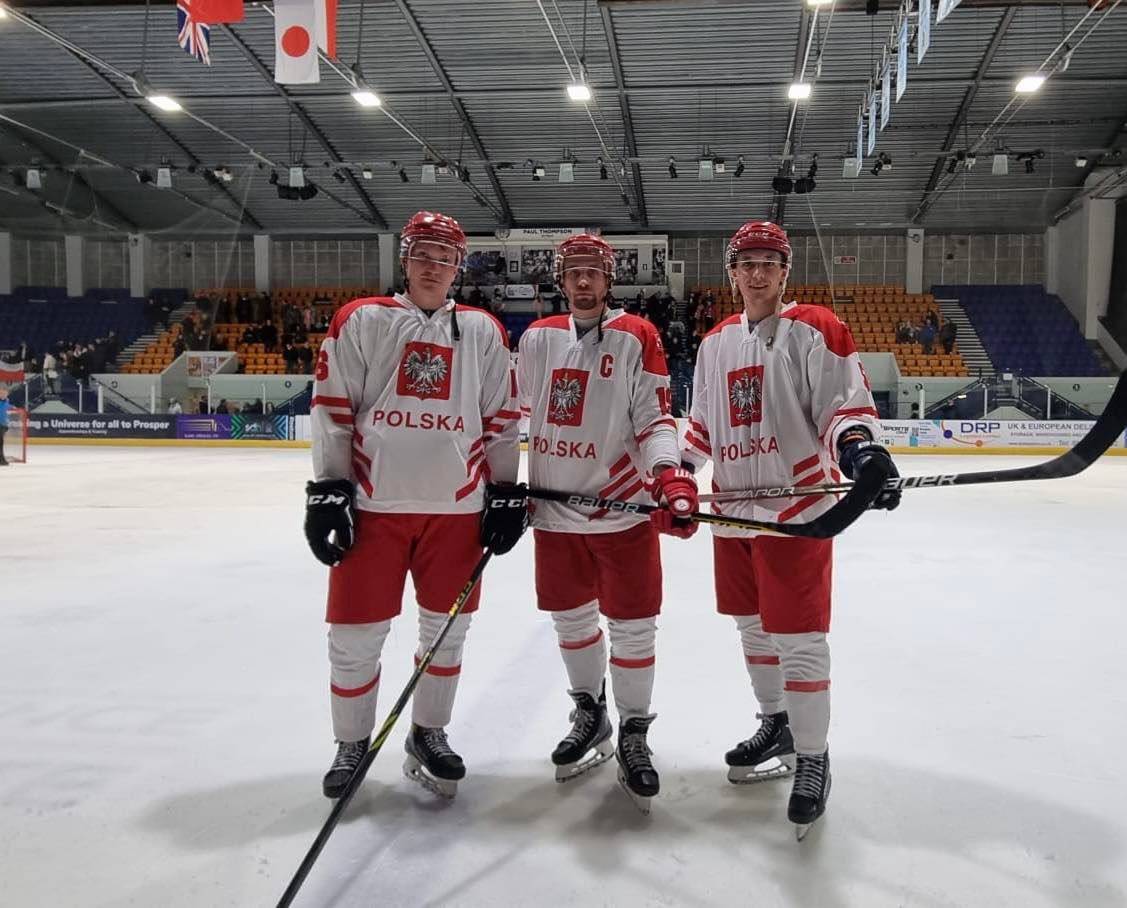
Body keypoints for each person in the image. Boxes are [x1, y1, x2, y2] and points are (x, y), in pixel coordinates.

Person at [674, 220, 900, 838]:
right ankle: (776, 722)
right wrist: (677, 473)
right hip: (732, 511)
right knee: (752, 627)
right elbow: (701, 428)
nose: (757, 273)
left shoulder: (816, 327)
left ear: (784, 272)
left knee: (798, 638)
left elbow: (843, 408)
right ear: (731, 273)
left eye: (768, 263)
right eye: (746, 263)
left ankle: (813, 756)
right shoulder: (715, 342)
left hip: (796, 510)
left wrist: (860, 452)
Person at [304, 211, 524, 802]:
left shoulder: (482, 330)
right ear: (406, 259)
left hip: (457, 509)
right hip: (373, 506)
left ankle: (429, 732)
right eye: (423, 254)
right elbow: (332, 408)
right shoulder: (363, 319)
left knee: (447, 631)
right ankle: (352, 743)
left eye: (445, 258)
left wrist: (505, 490)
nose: (433, 266)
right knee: (355, 634)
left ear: (459, 267)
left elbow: (502, 418)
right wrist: (329, 488)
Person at [516, 233, 697, 813]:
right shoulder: (537, 338)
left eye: (593, 271)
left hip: (621, 511)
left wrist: (667, 474)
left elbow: (654, 419)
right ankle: (589, 712)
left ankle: (634, 731)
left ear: (608, 278)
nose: (583, 281)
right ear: (561, 279)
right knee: (571, 622)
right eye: (574, 271)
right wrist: (499, 486)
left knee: (634, 628)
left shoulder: (637, 334)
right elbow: (510, 415)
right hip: (554, 513)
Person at [0, 386, 9, 466]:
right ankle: (2, 460)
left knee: (1, 442)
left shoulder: (7, 401)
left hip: (3, 425)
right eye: (1, 393)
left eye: (4, 393)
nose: (2, 395)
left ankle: (2, 460)